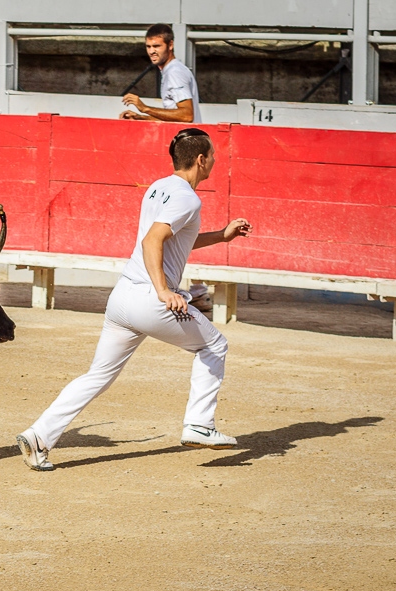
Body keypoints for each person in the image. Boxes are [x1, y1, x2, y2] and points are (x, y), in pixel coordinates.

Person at [16, 128, 252, 472]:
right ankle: (199, 424)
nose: (215, 160)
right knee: (214, 346)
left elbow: (172, 240)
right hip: (150, 298)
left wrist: (221, 236)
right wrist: (163, 291)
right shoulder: (189, 197)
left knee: (97, 375)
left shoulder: (158, 188)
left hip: (123, 297)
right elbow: (153, 242)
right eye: (213, 155)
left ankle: (39, 436)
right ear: (201, 160)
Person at [120, 23, 201, 124]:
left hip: (186, 138)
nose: (151, 51)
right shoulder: (171, 71)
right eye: (148, 47)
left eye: (156, 46)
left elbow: (187, 116)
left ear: (170, 45)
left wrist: (145, 108)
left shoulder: (175, 72)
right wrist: (140, 117)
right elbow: (174, 119)